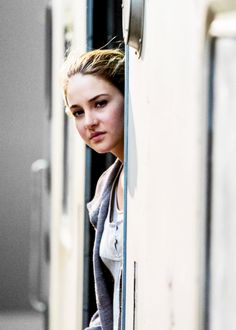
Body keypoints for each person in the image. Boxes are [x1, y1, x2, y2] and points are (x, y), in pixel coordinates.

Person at [61, 48, 125, 330]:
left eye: (100, 104)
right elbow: (110, 304)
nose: (89, 122)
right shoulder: (105, 188)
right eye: (78, 112)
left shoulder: (154, 179)